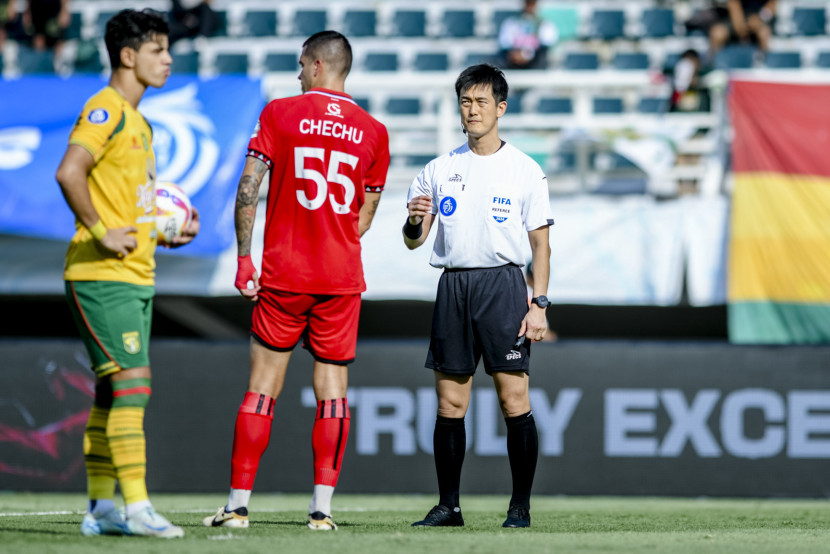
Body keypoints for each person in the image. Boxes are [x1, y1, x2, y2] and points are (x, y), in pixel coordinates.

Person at [201, 30, 389, 532]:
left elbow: (248, 186)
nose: (297, 73)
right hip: (340, 277)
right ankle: (321, 511)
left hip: (286, 272)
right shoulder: (374, 130)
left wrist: (244, 259)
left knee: (262, 391)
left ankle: (238, 506)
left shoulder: (280, 113)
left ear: (318, 65)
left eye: (302, 64)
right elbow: (364, 215)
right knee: (333, 395)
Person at [55, 9, 199, 538]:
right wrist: (98, 231)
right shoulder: (106, 109)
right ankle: (137, 508)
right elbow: (69, 172)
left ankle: (101, 510)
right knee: (133, 388)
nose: (168, 59)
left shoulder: (139, 121)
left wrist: (163, 232)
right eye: (159, 49)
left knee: (111, 393)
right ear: (127, 55)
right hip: (101, 273)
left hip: (135, 273)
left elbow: (130, 206)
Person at [403, 64, 553, 529]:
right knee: (450, 405)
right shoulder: (439, 169)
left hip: (504, 286)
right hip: (454, 286)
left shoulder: (525, 170)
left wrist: (539, 304)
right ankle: (449, 506)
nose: (472, 110)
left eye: (482, 101)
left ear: (500, 108)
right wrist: (413, 220)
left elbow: (541, 246)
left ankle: (520, 507)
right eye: (466, 101)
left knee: (514, 399)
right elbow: (414, 238)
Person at [497, 0, 557, 70]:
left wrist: (526, 55)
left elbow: (545, 45)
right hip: (513, 62)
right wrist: (517, 55)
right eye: (527, 3)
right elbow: (505, 45)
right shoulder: (511, 23)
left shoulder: (545, 24)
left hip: (535, 64)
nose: (529, 7)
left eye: (532, 4)